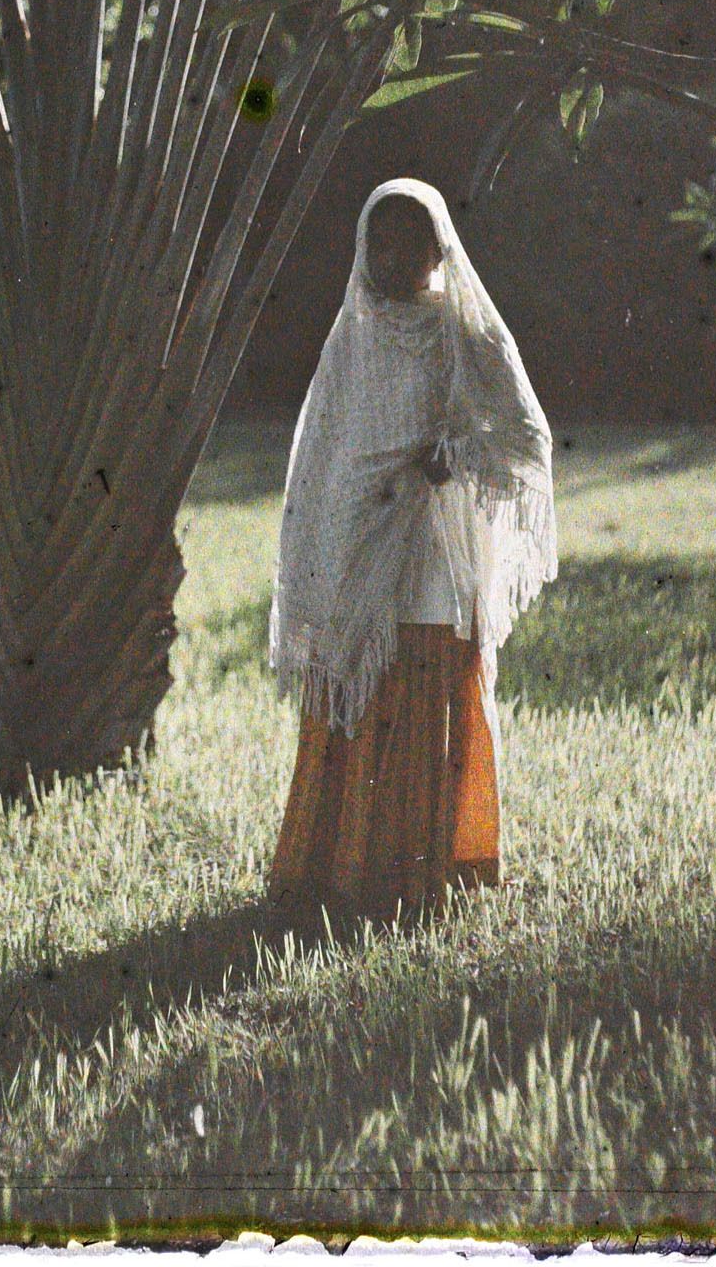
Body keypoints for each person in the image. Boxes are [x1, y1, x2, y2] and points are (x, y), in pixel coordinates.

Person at [266, 177, 558, 920]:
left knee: (425, 686)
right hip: (360, 547)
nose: (395, 257)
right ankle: (337, 872)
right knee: (359, 691)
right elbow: (325, 457)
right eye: (380, 242)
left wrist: (452, 454)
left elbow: (524, 438)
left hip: (430, 549)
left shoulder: (467, 330)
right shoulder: (352, 336)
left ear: (440, 248)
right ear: (364, 249)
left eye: (412, 241)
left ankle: (424, 874)